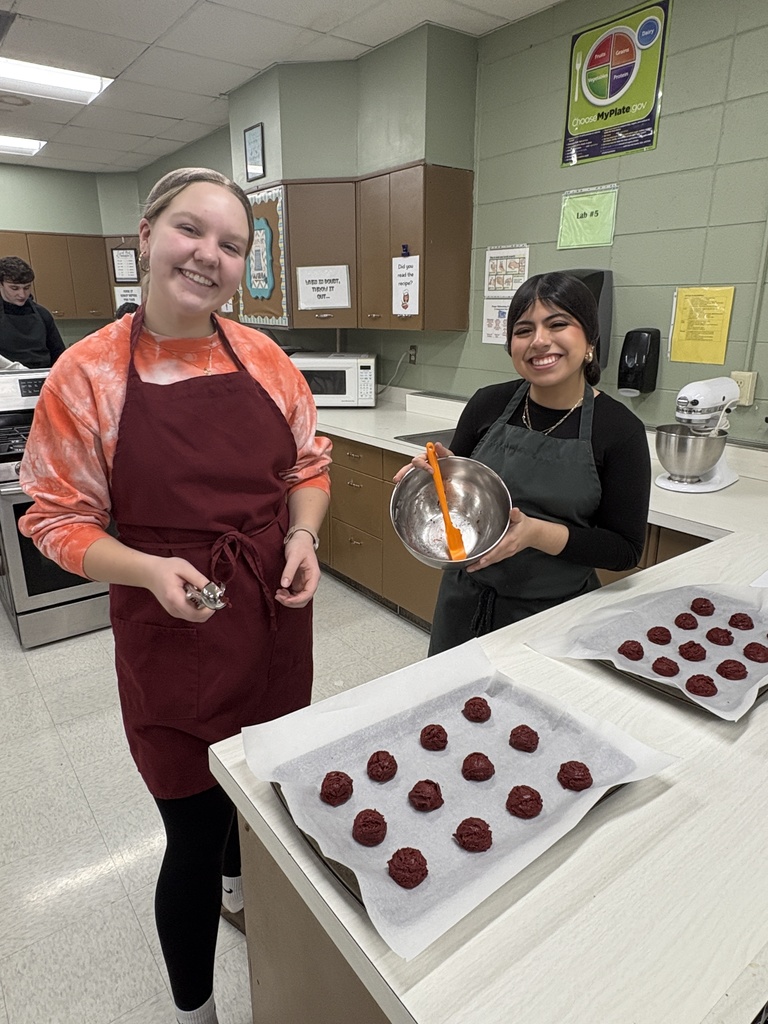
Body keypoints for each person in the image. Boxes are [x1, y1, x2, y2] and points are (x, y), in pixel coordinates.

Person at [18, 167, 331, 1024]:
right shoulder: (86, 376)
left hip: (270, 621)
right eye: (191, 231)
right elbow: (53, 521)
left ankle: (241, 888)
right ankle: (196, 1012)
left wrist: (302, 534)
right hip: (168, 635)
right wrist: (151, 570)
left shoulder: (263, 357)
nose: (209, 255)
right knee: (191, 836)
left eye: (231, 245)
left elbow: (309, 465)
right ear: (147, 233)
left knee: (257, 795)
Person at [397, 271, 651, 656]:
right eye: (523, 329)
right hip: (463, 605)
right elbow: (456, 497)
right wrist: (439, 474)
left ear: (590, 341)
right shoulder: (488, 403)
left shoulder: (620, 430)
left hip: (554, 616)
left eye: (558, 324)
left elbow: (625, 550)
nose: (539, 341)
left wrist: (534, 533)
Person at [0, 255, 65, 367]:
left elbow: (59, 355)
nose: (22, 294)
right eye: (14, 288)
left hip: (42, 376)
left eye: (26, 287)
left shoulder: (43, 314)